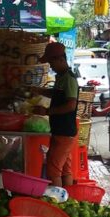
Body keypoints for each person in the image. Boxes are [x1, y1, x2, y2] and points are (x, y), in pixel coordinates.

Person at [31, 42, 79, 187]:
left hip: (64, 132)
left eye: (51, 62)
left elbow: (71, 105)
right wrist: (38, 90)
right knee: (65, 169)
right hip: (61, 130)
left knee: (53, 170)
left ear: (60, 59)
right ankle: (69, 200)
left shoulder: (69, 79)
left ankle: (58, 202)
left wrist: (47, 111)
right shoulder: (61, 77)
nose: (50, 66)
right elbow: (56, 94)